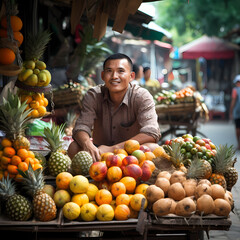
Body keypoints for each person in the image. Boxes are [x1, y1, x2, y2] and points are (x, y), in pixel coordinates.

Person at [67, 53, 161, 162]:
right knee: (73, 147)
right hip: (99, 153)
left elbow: (152, 132)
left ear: (131, 76)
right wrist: (89, 145)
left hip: (130, 155)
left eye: (121, 71)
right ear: (102, 76)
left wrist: (113, 149)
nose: (114, 76)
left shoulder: (141, 96)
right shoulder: (94, 95)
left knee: (154, 149)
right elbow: (81, 127)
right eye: (109, 71)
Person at [230, 74, 240, 149]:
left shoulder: (235, 90)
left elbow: (233, 101)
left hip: (237, 112)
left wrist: (231, 111)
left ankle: (239, 144)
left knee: (237, 128)